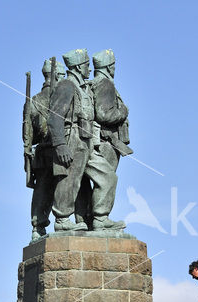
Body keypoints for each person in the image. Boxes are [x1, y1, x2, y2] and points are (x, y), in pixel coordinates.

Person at [77, 49, 132, 230]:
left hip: (98, 141)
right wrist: (123, 111)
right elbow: (103, 114)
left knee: (91, 183)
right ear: (109, 66)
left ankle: (87, 220)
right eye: (113, 65)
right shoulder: (105, 83)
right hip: (106, 142)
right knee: (106, 180)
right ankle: (100, 218)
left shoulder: (94, 83)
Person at [47, 48, 94, 232]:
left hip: (85, 138)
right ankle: (62, 218)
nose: (89, 69)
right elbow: (54, 116)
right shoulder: (66, 85)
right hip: (71, 137)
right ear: (78, 66)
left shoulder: (82, 86)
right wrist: (60, 144)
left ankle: (88, 217)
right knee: (68, 178)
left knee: (82, 181)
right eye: (86, 65)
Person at [27, 59, 66, 240]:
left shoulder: (33, 101)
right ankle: (62, 221)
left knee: (43, 189)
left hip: (42, 152)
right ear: (56, 75)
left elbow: (28, 136)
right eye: (62, 75)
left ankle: (38, 225)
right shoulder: (60, 97)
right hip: (57, 150)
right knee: (62, 186)